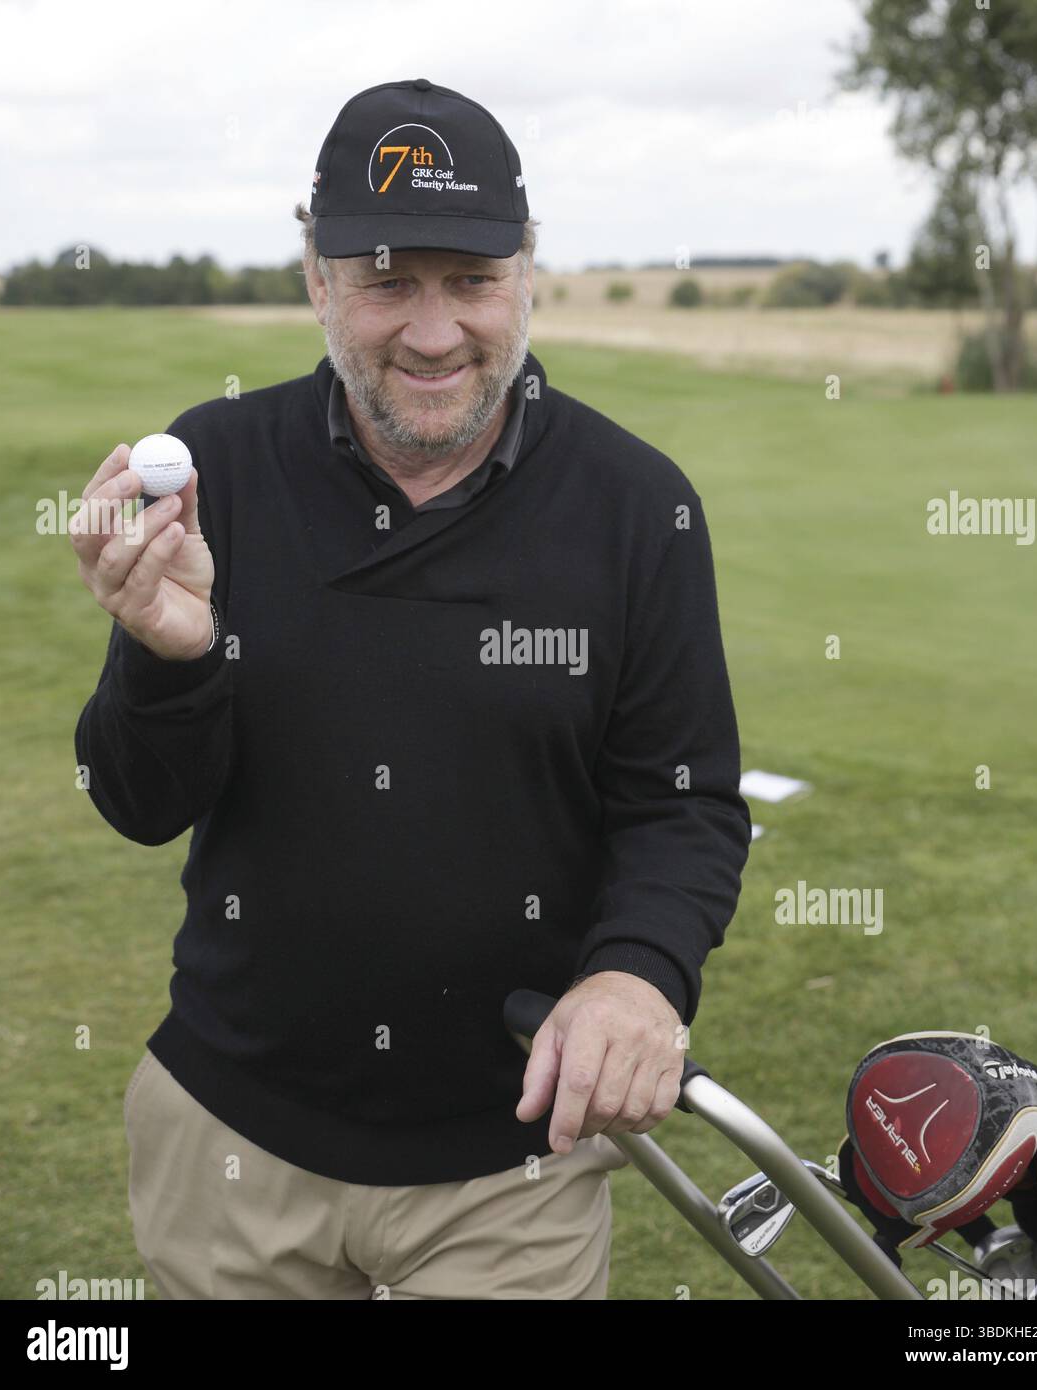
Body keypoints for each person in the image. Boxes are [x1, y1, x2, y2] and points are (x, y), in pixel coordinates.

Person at [71, 78, 752, 1300]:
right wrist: (171, 656)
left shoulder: (636, 504)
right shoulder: (218, 461)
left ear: (528, 274)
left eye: (472, 280)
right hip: (231, 1137)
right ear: (317, 282)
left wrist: (638, 973)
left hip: (509, 1163)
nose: (434, 332)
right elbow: (137, 800)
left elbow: (684, 802)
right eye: (388, 281)